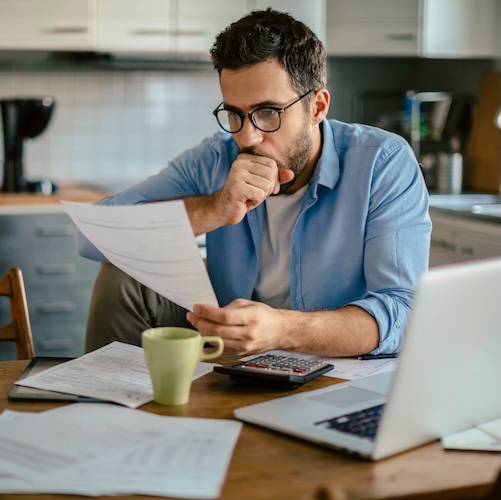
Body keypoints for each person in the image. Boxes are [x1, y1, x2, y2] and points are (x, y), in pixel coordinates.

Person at [77, 8, 431, 357]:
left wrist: (281, 330)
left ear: (318, 107)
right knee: (121, 275)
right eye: (234, 114)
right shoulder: (214, 159)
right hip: (229, 348)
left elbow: (405, 312)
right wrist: (214, 209)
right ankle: (113, 407)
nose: (247, 137)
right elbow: (92, 237)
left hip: (333, 361)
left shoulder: (381, 163)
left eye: (268, 113)